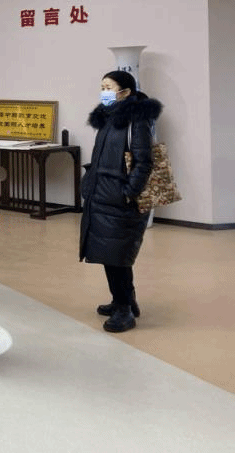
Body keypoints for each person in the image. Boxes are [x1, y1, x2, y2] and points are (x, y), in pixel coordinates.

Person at [80, 70, 162, 333]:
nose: (103, 92)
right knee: (110, 254)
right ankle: (122, 300)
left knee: (118, 256)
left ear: (125, 92)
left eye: (109, 87)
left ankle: (125, 310)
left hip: (120, 200)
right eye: (102, 86)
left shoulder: (135, 120)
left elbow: (144, 162)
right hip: (102, 196)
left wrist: (129, 191)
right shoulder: (107, 118)